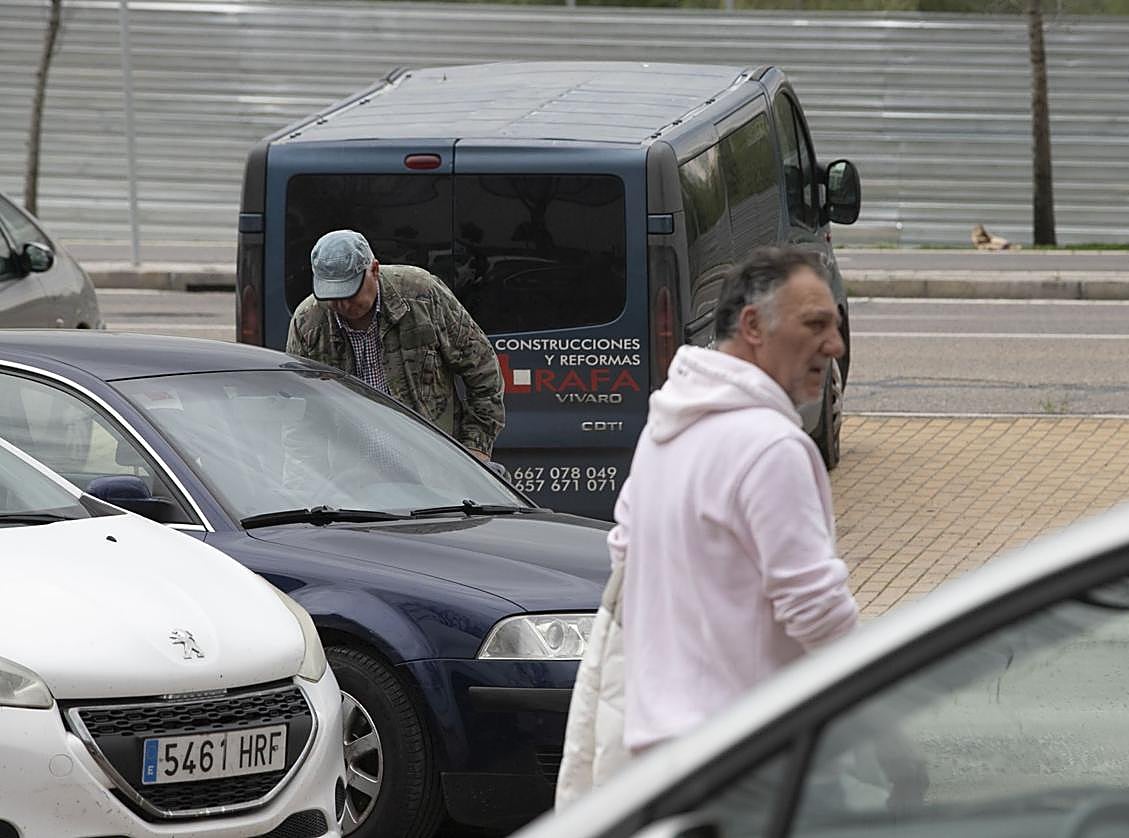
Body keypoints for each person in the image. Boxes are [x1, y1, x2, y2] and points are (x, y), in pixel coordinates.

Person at [556, 245, 861, 809]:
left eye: (836, 326)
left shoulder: (666, 431)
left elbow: (624, 556)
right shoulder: (771, 448)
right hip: (749, 762)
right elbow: (818, 611)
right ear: (753, 326)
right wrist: (888, 724)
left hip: (662, 763)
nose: (835, 345)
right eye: (816, 324)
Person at [286, 229, 504, 460]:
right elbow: (302, 414)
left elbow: (483, 370)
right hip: (352, 473)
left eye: (350, 292)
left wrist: (476, 448)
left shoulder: (422, 295)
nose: (343, 304)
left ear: (374, 270)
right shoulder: (308, 323)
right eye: (331, 295)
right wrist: (302, 486)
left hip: (434, 464)